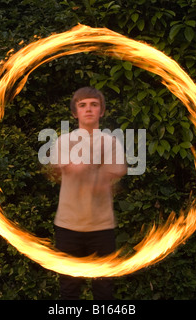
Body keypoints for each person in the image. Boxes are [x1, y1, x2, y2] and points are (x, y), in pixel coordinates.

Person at [50, 87, 127, 300]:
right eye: (82, 105)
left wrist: (104, 177)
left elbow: (119, 169)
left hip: (102, 227)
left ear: (102, 111)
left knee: (104, 290)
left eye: (94, 104)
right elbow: (56, 168)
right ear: (75, 112)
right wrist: (72, 167)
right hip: (68, 226)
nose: (88, 109)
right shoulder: (63, 142)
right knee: (69, 289)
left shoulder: (111, 142)